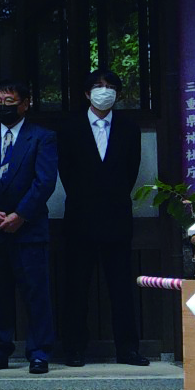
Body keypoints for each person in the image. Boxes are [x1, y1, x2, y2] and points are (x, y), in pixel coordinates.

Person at [57, 70, 147, 368]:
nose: (104, 91)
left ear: (118, 94)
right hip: (79, 216)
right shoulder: (69, 127)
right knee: (76, 287)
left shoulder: (129, 128)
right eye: (98, 86)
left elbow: (130, 172)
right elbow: (66, 173)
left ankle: (128, 349)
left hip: (117, 216)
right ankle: (73, 348)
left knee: (121, 286)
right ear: (86, 93)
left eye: (110, 87)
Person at [0, 80, 57, 374]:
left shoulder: (42, 137)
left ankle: (39, 352)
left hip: (28, 229)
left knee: (36, 294)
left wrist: (20, 214)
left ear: (25, 103)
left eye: (9, 100)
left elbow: (45, 182)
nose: (3, 106)